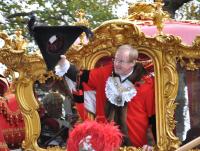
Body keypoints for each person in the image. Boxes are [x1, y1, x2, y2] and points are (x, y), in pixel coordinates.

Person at [55, 44, 156, 150]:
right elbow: (81, 76)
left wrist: (152, 144)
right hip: (105, 145)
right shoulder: (105, 73)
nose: (116, 64)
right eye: (115, 59)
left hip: (137, 147)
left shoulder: (147, 84)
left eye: (121, 61)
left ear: (132, 62)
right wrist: (63, 63)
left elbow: (154, 118)